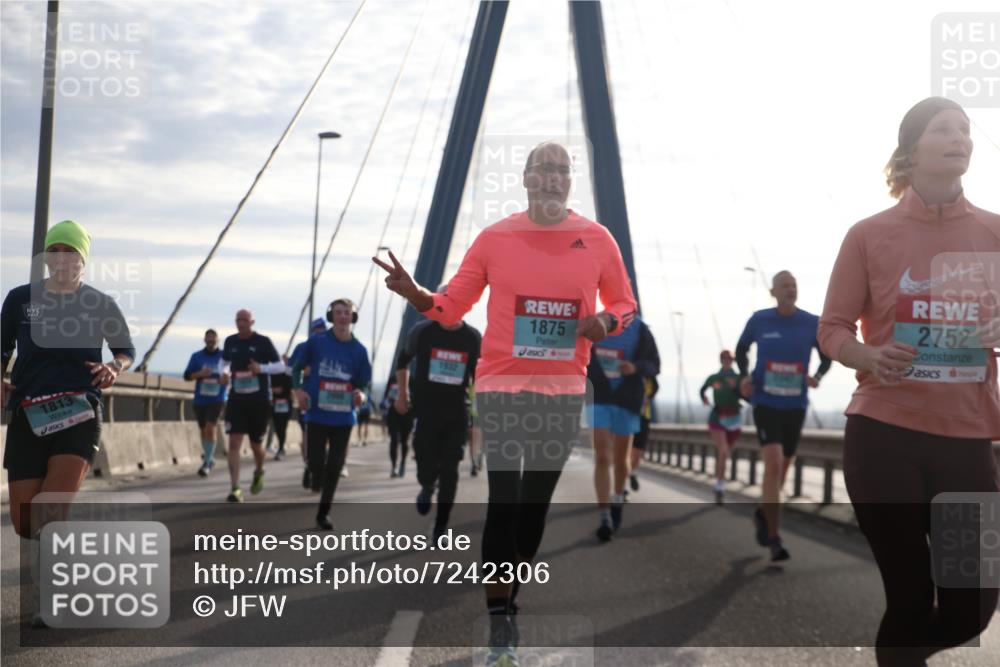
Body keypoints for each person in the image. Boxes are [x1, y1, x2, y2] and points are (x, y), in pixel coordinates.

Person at [375, 141, 637, 666]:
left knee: (533, 511)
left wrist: (605, 322)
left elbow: (626, 305)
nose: (552, 178)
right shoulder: (496, 239)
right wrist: (416, 294)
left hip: (562, 390)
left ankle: (509, 596)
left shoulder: (598, 239)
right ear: (524, 178)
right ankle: (499, 626)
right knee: (505, 498)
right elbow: (451, 308)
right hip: (501, 385)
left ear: (570, 182)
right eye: (543, 169)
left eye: (562, 171)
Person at [819, 96, 1000, 666]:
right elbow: (832, 329)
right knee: (911, 595)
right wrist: (868, 356)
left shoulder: (996, 232)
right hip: (884, 434)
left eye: (967, 130)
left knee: (971, 607)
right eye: (944, 128)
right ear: (910, 150)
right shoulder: (869, 234)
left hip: (968, 439)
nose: (960, 137)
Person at [2, 220, 135, 540]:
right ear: (46, 258)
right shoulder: (20, 299)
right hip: (27, 412)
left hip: (79, 410)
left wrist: (114, 367)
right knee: (24, 524)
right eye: (54, 251)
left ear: (82, 260)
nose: (61, 258)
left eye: (70, 252)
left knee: (49, 513)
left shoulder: (100, 303)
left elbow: (125, 349)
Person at [736, 270, 831, 561]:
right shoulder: (759, 319)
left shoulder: (811, 322)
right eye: (785, 286)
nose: (791, 289)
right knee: (774, 462)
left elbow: (826, 355)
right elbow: (742, 349)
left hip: (795, 405)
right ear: (773, 292)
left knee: (783, 468)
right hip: (765, 401)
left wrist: (816, 376)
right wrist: (744, 376)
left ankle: (764, 513)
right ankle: (774, 538)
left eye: (794, 285)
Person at [395, 285, 482, 543]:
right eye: (445, 299)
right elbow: (402, 360)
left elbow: (481, 376)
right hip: (426, 411)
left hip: (457, 412)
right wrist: (403, 394)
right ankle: (426, 485)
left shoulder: (474, 338)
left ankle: (441, 525)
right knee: (426, 464)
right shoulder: (422, 332)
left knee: (451, 469)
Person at [292, 298, 371, 530]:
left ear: (353, 317)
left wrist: (362, 396)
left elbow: (363, 384)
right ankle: (313, 471)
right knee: (316, 462)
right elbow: (296, 368)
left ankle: (323, 513)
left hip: (344, 417)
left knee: (335, 466)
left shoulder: (359, 350)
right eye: (338, 312)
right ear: (331, 316)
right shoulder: (317, 342)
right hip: (317, 413)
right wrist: (298, 392)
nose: (343, 317)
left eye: (347, 313)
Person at [587, 316, 659, 541]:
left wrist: (635, 367)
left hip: (627, 399)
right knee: (601, 457)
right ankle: (605, 515)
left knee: (621, 460)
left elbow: (654, 364)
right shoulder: (593, 321)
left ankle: (618, 497)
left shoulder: (639, 329)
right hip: (598, 397)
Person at [221, 309, 284, 502]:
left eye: (245, 320)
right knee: (234, 442)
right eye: (238, 320)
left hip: (259, 400)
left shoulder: (263, 342)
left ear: (252, 322)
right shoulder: (230, 341)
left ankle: (259, 469)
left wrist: (261, 368)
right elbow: (223, 362)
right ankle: (235, 488)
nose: (241, 323)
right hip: (237, 398)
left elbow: (280, 366)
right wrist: (223, 372)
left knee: (256, 445)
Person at [699, 350, 744, 504]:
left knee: (724, 454)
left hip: (734, 419)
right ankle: (720, 486)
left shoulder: (738, 378)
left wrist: (737, 389)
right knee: (723, 451)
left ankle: (719, 481)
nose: (727, 361)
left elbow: (745, 395)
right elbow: (702, 389)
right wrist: (704, 398)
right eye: (724, 358)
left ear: (733, 360)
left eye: (730, 359)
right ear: (720, 360)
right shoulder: (714, 378)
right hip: (717, 417)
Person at [183, 329, 229, 477]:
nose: (210, 342)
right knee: (203, 430)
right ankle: (209, 457)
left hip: (218, 398)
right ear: (204, 340)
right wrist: (200, 374)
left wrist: (226, 378)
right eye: (208, 340)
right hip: (200, 399)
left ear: (218, 341)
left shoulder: (224, 357)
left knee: (211, 427)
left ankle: (207, 462)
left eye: (213, 340)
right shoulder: (197, 357)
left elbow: (231, 373)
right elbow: (187, 376)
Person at [292, 317, 327, 489]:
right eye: (316, 330)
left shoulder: (333, 346)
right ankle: (308, 465)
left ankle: (320, 465)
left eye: (322, 329)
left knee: (324, 437)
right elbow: (291, 369)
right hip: (308, 399)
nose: (319, 332)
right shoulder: (302, 348)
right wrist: (300, 383)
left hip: (329, 400)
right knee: (307, 434)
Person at [627, 376, 658, 495]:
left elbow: (656, 387)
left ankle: (631, 472)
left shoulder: (650, 375)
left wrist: (648, 398)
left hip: (644, 417)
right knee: (625, 453)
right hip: (628, 416)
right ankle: (622, 488)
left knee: (637, 455)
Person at [383, 375, 414, 478]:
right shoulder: (392, 379)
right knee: (394, 440)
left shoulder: (413, 379)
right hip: (393, 413)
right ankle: (394, 467)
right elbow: (386, 395)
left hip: (407, 413)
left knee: (405, 441)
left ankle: (403, 462)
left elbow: (417, 397)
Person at [269, 354, 293, 460]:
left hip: (286, 404)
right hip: (274, 404)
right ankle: (277, 447)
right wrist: (273, 391)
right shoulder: (271, 374)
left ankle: (281, 448)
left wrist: (284, 391)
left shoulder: (288, 374)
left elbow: (292, 387)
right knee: (277, 426)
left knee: (282, 426)